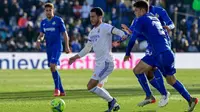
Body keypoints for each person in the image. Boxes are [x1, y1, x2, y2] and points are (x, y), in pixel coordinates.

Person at [124, 1, 198, 111]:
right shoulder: (153, 17)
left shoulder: (141, 19)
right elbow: (147, 33)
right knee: (144, 71)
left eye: (136, 10)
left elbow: (133, 39)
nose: (135, 12)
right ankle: (190, 100)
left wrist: (127, 53)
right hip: (163, 52)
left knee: (167, 79)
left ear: (142, 10)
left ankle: (155, 95)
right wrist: (130, 31)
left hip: (160, 54)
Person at [113, 0, 175, 107]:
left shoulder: (159, 11)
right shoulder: (138, 18)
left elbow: (171, 24)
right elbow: (132, 33)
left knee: (154, 69)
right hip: (150, 45)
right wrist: (122, 38)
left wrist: (169, 27)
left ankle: (163, 94)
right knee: (148, 71)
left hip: (162, 43)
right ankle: (153, 96)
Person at [68, 7, 128, 112]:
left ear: (100, 17)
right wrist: (75, 57)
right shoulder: (92, 32)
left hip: (106, 62)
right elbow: (87, 48)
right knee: (96, 86)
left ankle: (112, 101)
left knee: (90, 86)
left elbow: (118, 31)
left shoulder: (105, 27)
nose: (91, 19)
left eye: (93, 17)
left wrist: (123, 35)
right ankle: (114, 105)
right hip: (99, 63)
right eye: (90, 17)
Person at [36, 3, 70, 96]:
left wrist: (67, 46)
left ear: (53, 10)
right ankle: (62, 91)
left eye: (49, 10)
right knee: (53, 68)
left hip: (57, 47)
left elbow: (65, 34)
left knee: (52, 65)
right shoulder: (43, 22)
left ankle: (57, 89)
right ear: (44, 11)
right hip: (49, 47)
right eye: (46, 10)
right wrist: (39, 40)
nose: (48, 12)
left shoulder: (58, 20)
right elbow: (41, 35)